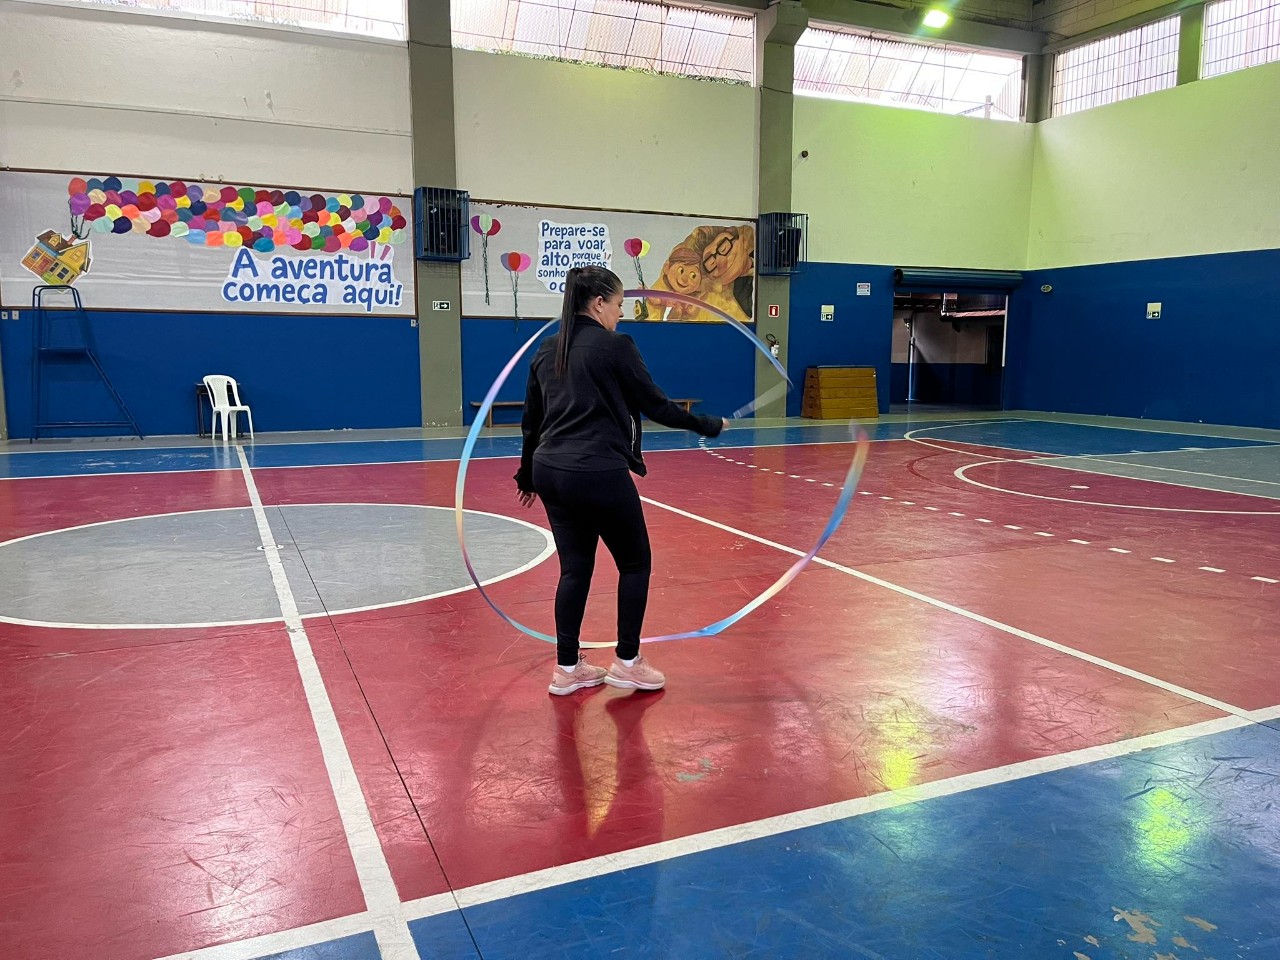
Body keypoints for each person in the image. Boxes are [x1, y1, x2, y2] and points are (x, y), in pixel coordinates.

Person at [515, 265, 728, 696]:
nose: (621, 313)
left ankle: (567, 668)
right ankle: (627, 661)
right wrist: (706, 424)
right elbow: (656, 405)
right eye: (617, 305)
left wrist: (526, 474)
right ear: (598, 303)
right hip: (595, 469)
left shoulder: (548, 349)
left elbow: (531, 421)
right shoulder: (616, 346)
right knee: (634, 563)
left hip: (549, 470)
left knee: (575, 568)